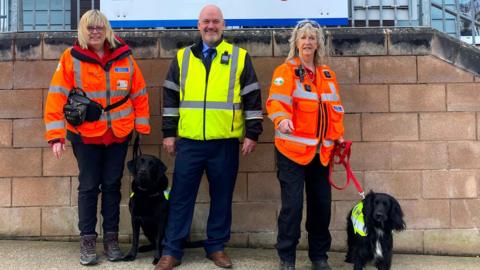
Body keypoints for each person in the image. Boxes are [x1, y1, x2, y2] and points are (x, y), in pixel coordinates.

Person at [156, 4, 263, 270]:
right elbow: (170, 96)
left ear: (223, 25)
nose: (211, 26)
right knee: (181, 197)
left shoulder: (239, 56)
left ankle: (216, 247)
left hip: (224, 142)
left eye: (215, 21)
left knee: (222, 197)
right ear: (198, 25)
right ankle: (172, 250)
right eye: (206, 21)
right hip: (189, 142)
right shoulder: (182, 57)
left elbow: (252, 96)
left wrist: (252, 133)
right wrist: (169, 133)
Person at [44, 9, 150, 266]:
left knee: (113, 187)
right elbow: (56, 95)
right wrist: (56, 136)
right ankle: (88, 243)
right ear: (82, 30)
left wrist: (142, 128)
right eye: (89, 27)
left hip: (119, 134)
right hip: (86, 136)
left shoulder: (125, 57)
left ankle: (111, 242)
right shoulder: (71, 57)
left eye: (99, 27)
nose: (95, 32)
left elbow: (139, 93)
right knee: (89, 188)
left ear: (107, 29)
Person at [266, 20, 345, 270]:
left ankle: (319, 256)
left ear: (318, 43)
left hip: (321, 154)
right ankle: (286, 257)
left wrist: (339, 136)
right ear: (296, 43)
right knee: (293, 206)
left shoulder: (327, 75)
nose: (308, 42)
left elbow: (335, 112)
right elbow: (275, 103)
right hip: (291, 152)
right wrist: (282, 119)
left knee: (321, 206)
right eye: (303, 38)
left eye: (312, 38)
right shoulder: (286, 71)